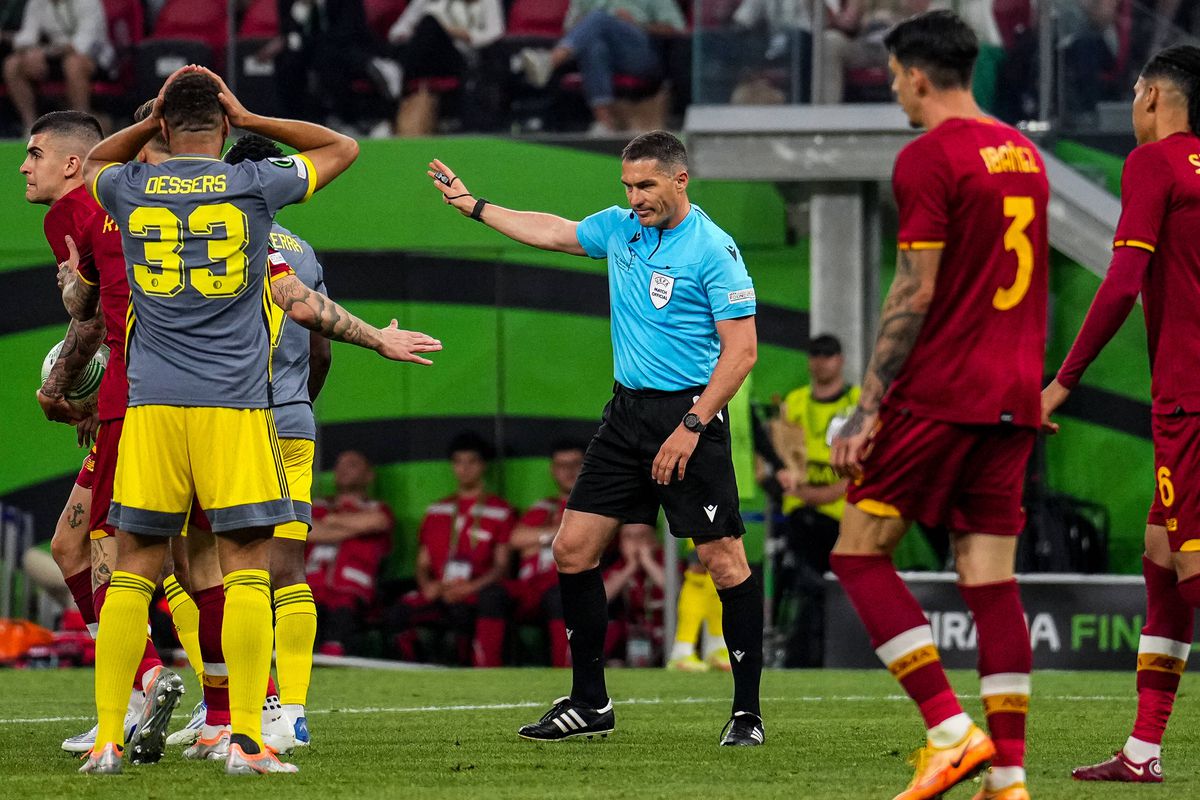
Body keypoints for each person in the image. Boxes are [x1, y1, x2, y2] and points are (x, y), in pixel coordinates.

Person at [77, 65, 439, 776]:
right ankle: (247, 740)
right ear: (223, 124)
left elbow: (93, 160)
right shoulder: (252, 187)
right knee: (247, 568)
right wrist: (251, 117)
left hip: (151, 407)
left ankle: (106, 741)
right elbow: (342, 148)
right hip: (234, 408)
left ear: (161, 127)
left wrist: (152, 126)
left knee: (133, 574)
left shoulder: (128, 187)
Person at [428, 129, 763, 745]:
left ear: (679, 180)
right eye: (628, 186)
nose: (634, 197)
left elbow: (742, 353)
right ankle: (591, 703)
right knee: (572, 550)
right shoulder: (619, 228)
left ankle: (747, 714)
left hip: (689, 414)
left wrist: (691, 428)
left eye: (646, 185)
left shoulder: (713, 249)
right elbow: (552, 229)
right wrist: (475, 205)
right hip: (625, 414)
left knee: (723, 560)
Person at [828, 11, 1048, 800]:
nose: (893, 90)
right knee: (990, 580)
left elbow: (915, 291)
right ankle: (1011, 781)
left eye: (892, 76)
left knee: (858, 552)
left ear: (917, 73)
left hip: (944, 391)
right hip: (1013, 394)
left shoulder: (929, 157)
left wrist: (868, 408)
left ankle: (951, 732)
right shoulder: (1025, 153)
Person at [1044, 45, 1200, 785]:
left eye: (1138, 90)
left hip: (1189, 399)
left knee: (1193, 569)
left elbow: (1120, 286)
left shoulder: (1154, 165)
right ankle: (1143, 750)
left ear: (1151, 97)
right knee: (1165, 562)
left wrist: (1063, 381)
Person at [23, 109, 173, 757]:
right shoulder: (125, 201)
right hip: (166, 394)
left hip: (132, 400)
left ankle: (152, 690)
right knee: (70, 546)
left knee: (122, 553)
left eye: (33, 153)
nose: (23, 166)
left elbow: (89, 320)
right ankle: (153, 687)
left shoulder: (78, 211)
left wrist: (58, 390)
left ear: (72, 164)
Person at [223, 132, 332, 749]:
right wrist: (299, 404)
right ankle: (291, 711)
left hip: (227, 420)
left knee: (221, 569)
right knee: (289, 570)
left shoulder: (213, 238)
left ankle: (234, 707)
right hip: (291, 417)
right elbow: (320, 346)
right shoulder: (303, 251)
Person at [388, 432, 514, 666]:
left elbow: (501, 567)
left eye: (472, 461)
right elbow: (422, 563)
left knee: (467, 613)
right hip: (440, 589)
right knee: (398, 613)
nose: (464, 468)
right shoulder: (437, 510)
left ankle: (473, 672)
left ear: (483, 465)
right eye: (458, 462)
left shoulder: (500, 510)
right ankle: (417, 669)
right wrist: (428, 586)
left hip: (476, 592)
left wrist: (469, 587)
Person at [772, 333, 859, 667]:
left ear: (840, 359)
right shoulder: (793, 402)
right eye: (816, 354)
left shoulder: (857, 402)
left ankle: (843, 652)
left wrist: (821, 493)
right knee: (805, 585)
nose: (821, 361)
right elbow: (779, 462)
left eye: (828, 354)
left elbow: (869, 462)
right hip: (803, 515)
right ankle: (803, 656)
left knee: (840, 585)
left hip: (845, 514)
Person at [518, 0, 685, 135]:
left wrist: (636, 24)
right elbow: (569, 31)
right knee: (594, 45)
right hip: (603, 52)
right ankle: (605, 125)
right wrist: (587, 25)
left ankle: (550, 61)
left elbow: (674, 28)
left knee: (598, 18)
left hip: (640, 53)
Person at [306, 450, 394, 658]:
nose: (343, 469)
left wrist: (332, 522)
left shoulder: (378, 509)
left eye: (352, 464)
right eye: (339, 465)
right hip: (309, 589)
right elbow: (307, 532)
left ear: (369, 474)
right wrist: (354, 528)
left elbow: (377, 521)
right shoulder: (318, 506)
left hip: (351, 594)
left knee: (335, 643)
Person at [503, 442, 583, 667]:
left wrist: (536, 540)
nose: (568, 471)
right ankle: (485, 672)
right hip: (530, 586)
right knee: (493, 595)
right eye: (561, 465)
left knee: (562, 597)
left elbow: (586, 542)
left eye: (575, 464)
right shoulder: (543, 507)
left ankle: (566, 671)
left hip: (564, 584)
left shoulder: (592, 507)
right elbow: (515, 539)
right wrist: (554, 534)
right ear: (552, 469)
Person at [3, 0, 114, 133]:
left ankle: (81, 125)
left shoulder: (88, 2)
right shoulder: (37, 2)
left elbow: (82, 44)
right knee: (12, 64)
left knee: (73, 64)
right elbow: (28, 36)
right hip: (57, 57)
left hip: (95, 59)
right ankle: (31, 127)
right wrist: (28, 52)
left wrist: (43, 52)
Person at [603, 523, 665, 665]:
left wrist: (648, 562)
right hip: (631, 635)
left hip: (664, 632)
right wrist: (631, 567)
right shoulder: (619, 566)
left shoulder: (666, 560)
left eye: (642, 536)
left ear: (654, 539)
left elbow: (676, 592)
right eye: (628, 537)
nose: (636, 542)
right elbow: (601, 598)